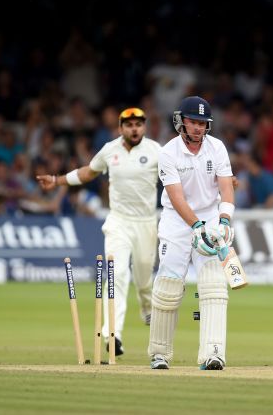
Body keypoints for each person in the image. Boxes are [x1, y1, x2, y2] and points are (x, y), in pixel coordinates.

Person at [36, 107, 160, 356]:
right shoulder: (109, 150)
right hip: (118, 221)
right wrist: (57, 180)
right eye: (129, 124)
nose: (134, 128)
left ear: (144, 127)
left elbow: (181, 176)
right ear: (120, 128)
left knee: (145, 277)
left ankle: (147, 307)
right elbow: (88, 172)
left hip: (146, 222)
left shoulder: (157, 151)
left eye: (138, 124)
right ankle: (112, 334)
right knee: (117, 276)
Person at [148, 96, 236, 371]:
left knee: (214, 285)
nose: (198, 128)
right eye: (193, 122)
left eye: (202, 123)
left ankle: (213, 353)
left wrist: (224, 222)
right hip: (177, 222)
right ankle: (159, 354)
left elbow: (226, 188)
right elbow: (176, 197)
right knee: (169, 287)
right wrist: (195, 227)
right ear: (181, 122)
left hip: (210, 218)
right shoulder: (168, 153)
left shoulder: (217, 147)